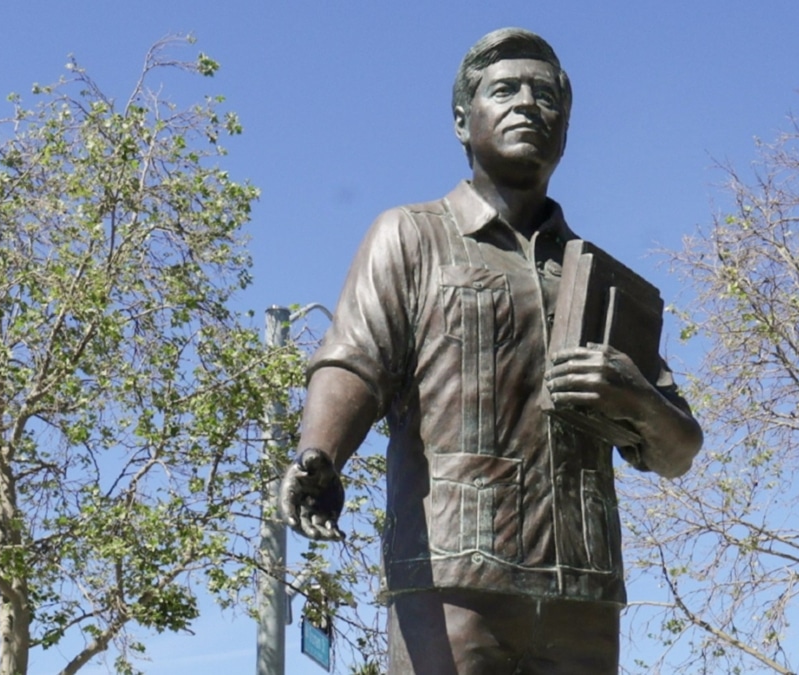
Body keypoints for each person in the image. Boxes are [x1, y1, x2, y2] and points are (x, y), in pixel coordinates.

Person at [281, 27, 703, 674]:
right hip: (452, 578)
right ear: (462, 120)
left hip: (582, 591)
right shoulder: (410, 235)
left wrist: (635, 397)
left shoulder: (602, 284)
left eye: (545, 95)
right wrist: (320, 453)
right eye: (504, 90)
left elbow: (680, 448)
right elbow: (354, 357)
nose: (528, 104)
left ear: (566, 127)